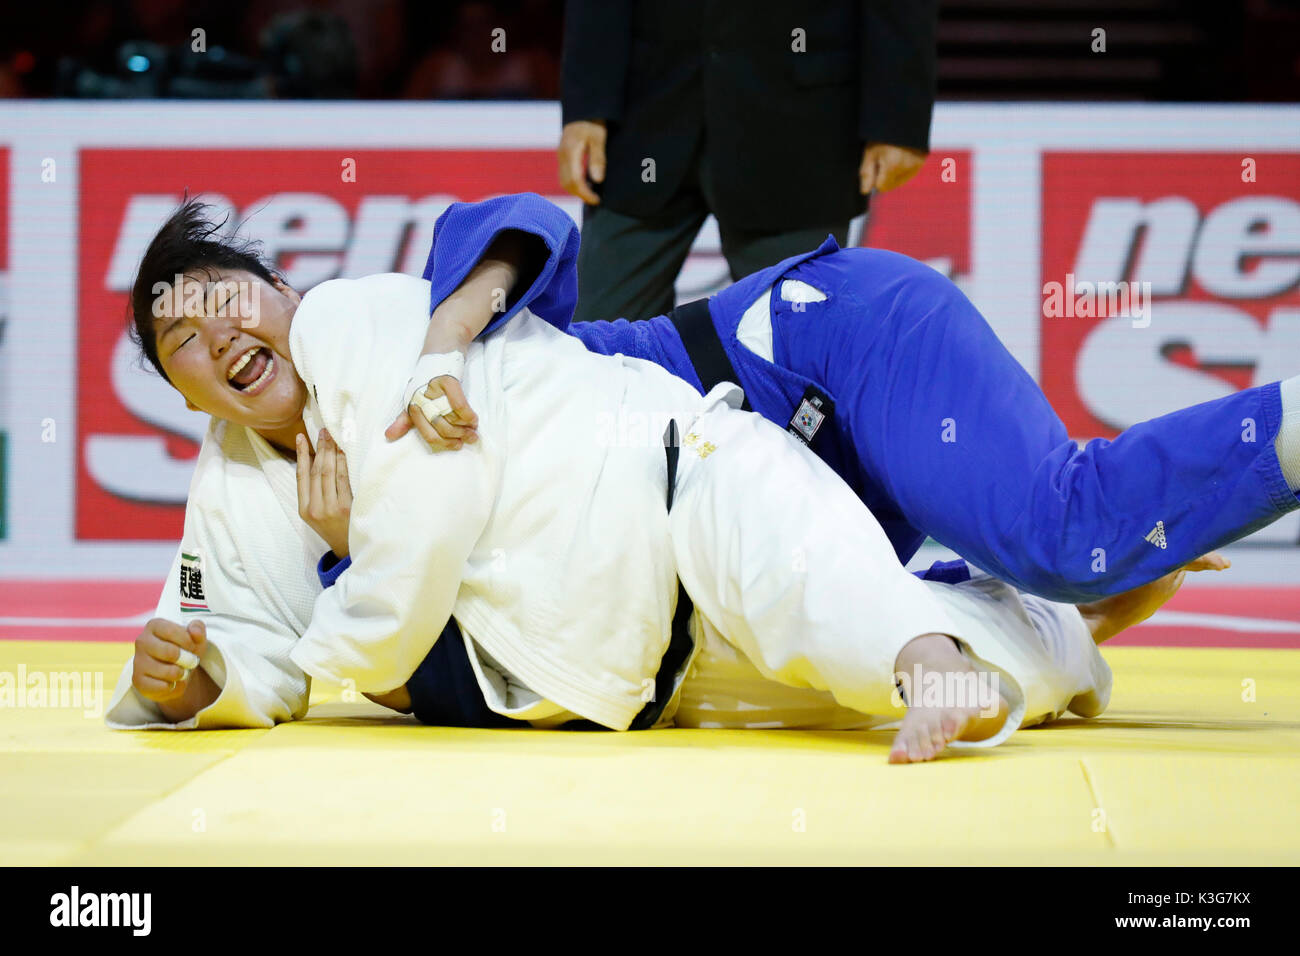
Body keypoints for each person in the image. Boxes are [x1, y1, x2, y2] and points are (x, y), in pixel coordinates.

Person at [103, 199, 1171, 764]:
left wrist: (339, 583)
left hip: (661, 473)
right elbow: (221, 626)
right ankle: (1049, 633)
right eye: (183, 339)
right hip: (628, 669)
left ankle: (927, 652)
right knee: (830, 680)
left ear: (281, 289)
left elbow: (418, 537)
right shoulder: (232, 493)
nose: (218, 331)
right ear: (188, 395)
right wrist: (189, 679)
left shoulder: (359, 321)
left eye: (223, 297)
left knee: (798, 564)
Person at [395, 193, 1300, 607]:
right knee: (1061, 569)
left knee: (1063, 533)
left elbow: (526, 222)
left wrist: (436, 356)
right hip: (828, 469)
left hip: (821, 347)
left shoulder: (417, 346)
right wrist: (1122, 586)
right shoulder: (423, 540)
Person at [559, 0, 936, 322]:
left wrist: (898, 116)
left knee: (794, 355)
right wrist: (586, 105)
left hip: (800, 120)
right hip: (644, 111)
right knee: (596, 343)